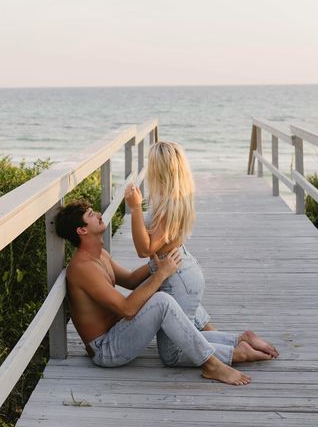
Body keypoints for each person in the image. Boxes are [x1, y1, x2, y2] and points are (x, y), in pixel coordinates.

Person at [55, 199, 261, 386]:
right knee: (162, 299)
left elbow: (130, 280)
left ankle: (236, 340)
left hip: (119, 333)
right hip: (107, 349)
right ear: (82, 231)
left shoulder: (100, 255)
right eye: (91, 215)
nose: (99, 214)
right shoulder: (83, 267)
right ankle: (214, 363)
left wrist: (159, 264)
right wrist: (161, 274)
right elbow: (127, 309)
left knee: (171, 287)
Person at [124, 141, 279, 366]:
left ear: (160, 169)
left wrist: (135, 208)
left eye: (151, 164)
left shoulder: (168, 206)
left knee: (173, 353)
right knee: (185, 334)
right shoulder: (174, 198)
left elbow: (145, 249)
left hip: (177, 279)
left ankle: (239, 353)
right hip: (182, 269)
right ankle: (239, 339)